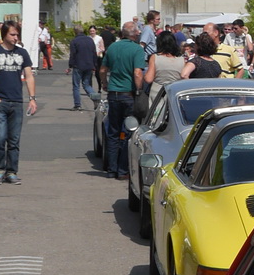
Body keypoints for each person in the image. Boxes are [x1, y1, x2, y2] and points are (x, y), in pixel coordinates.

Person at [0, 20, 38, 183]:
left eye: (17, 34)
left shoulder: (22, 53)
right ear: (4, 34)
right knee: (0, 137)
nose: (16, 37)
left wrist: (32, 99)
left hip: (16, 101)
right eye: (12, 34)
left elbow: (29, 76)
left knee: (14, 139)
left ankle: (11, 172)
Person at [101, 23, 147, 178]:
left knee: (113, 131)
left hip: (113, 93)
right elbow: (137, 73)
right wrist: (139, 90)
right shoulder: (137, 49)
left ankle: (111, 169)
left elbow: (102, 69)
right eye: (137, 30)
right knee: (128, 132)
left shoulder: (113, 47)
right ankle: (123, 170)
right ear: (133, 34)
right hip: (128, 94)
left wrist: (105, 84)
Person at [145, 31, 185, 101]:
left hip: (157, 95)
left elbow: (149, 79)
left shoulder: (155, 57)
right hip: (175, 94)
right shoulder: (182, 60)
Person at [67, 25, 100, 109]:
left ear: (75, 31)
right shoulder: (90, 40)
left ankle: (77, 105)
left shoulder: (74, 41)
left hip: (78, 65)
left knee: (76, 86)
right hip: (89, 65)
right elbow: (94, 53)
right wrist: (94, 65)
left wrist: (70, 66)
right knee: (87, 85)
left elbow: (73, 55)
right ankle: (95, 99)